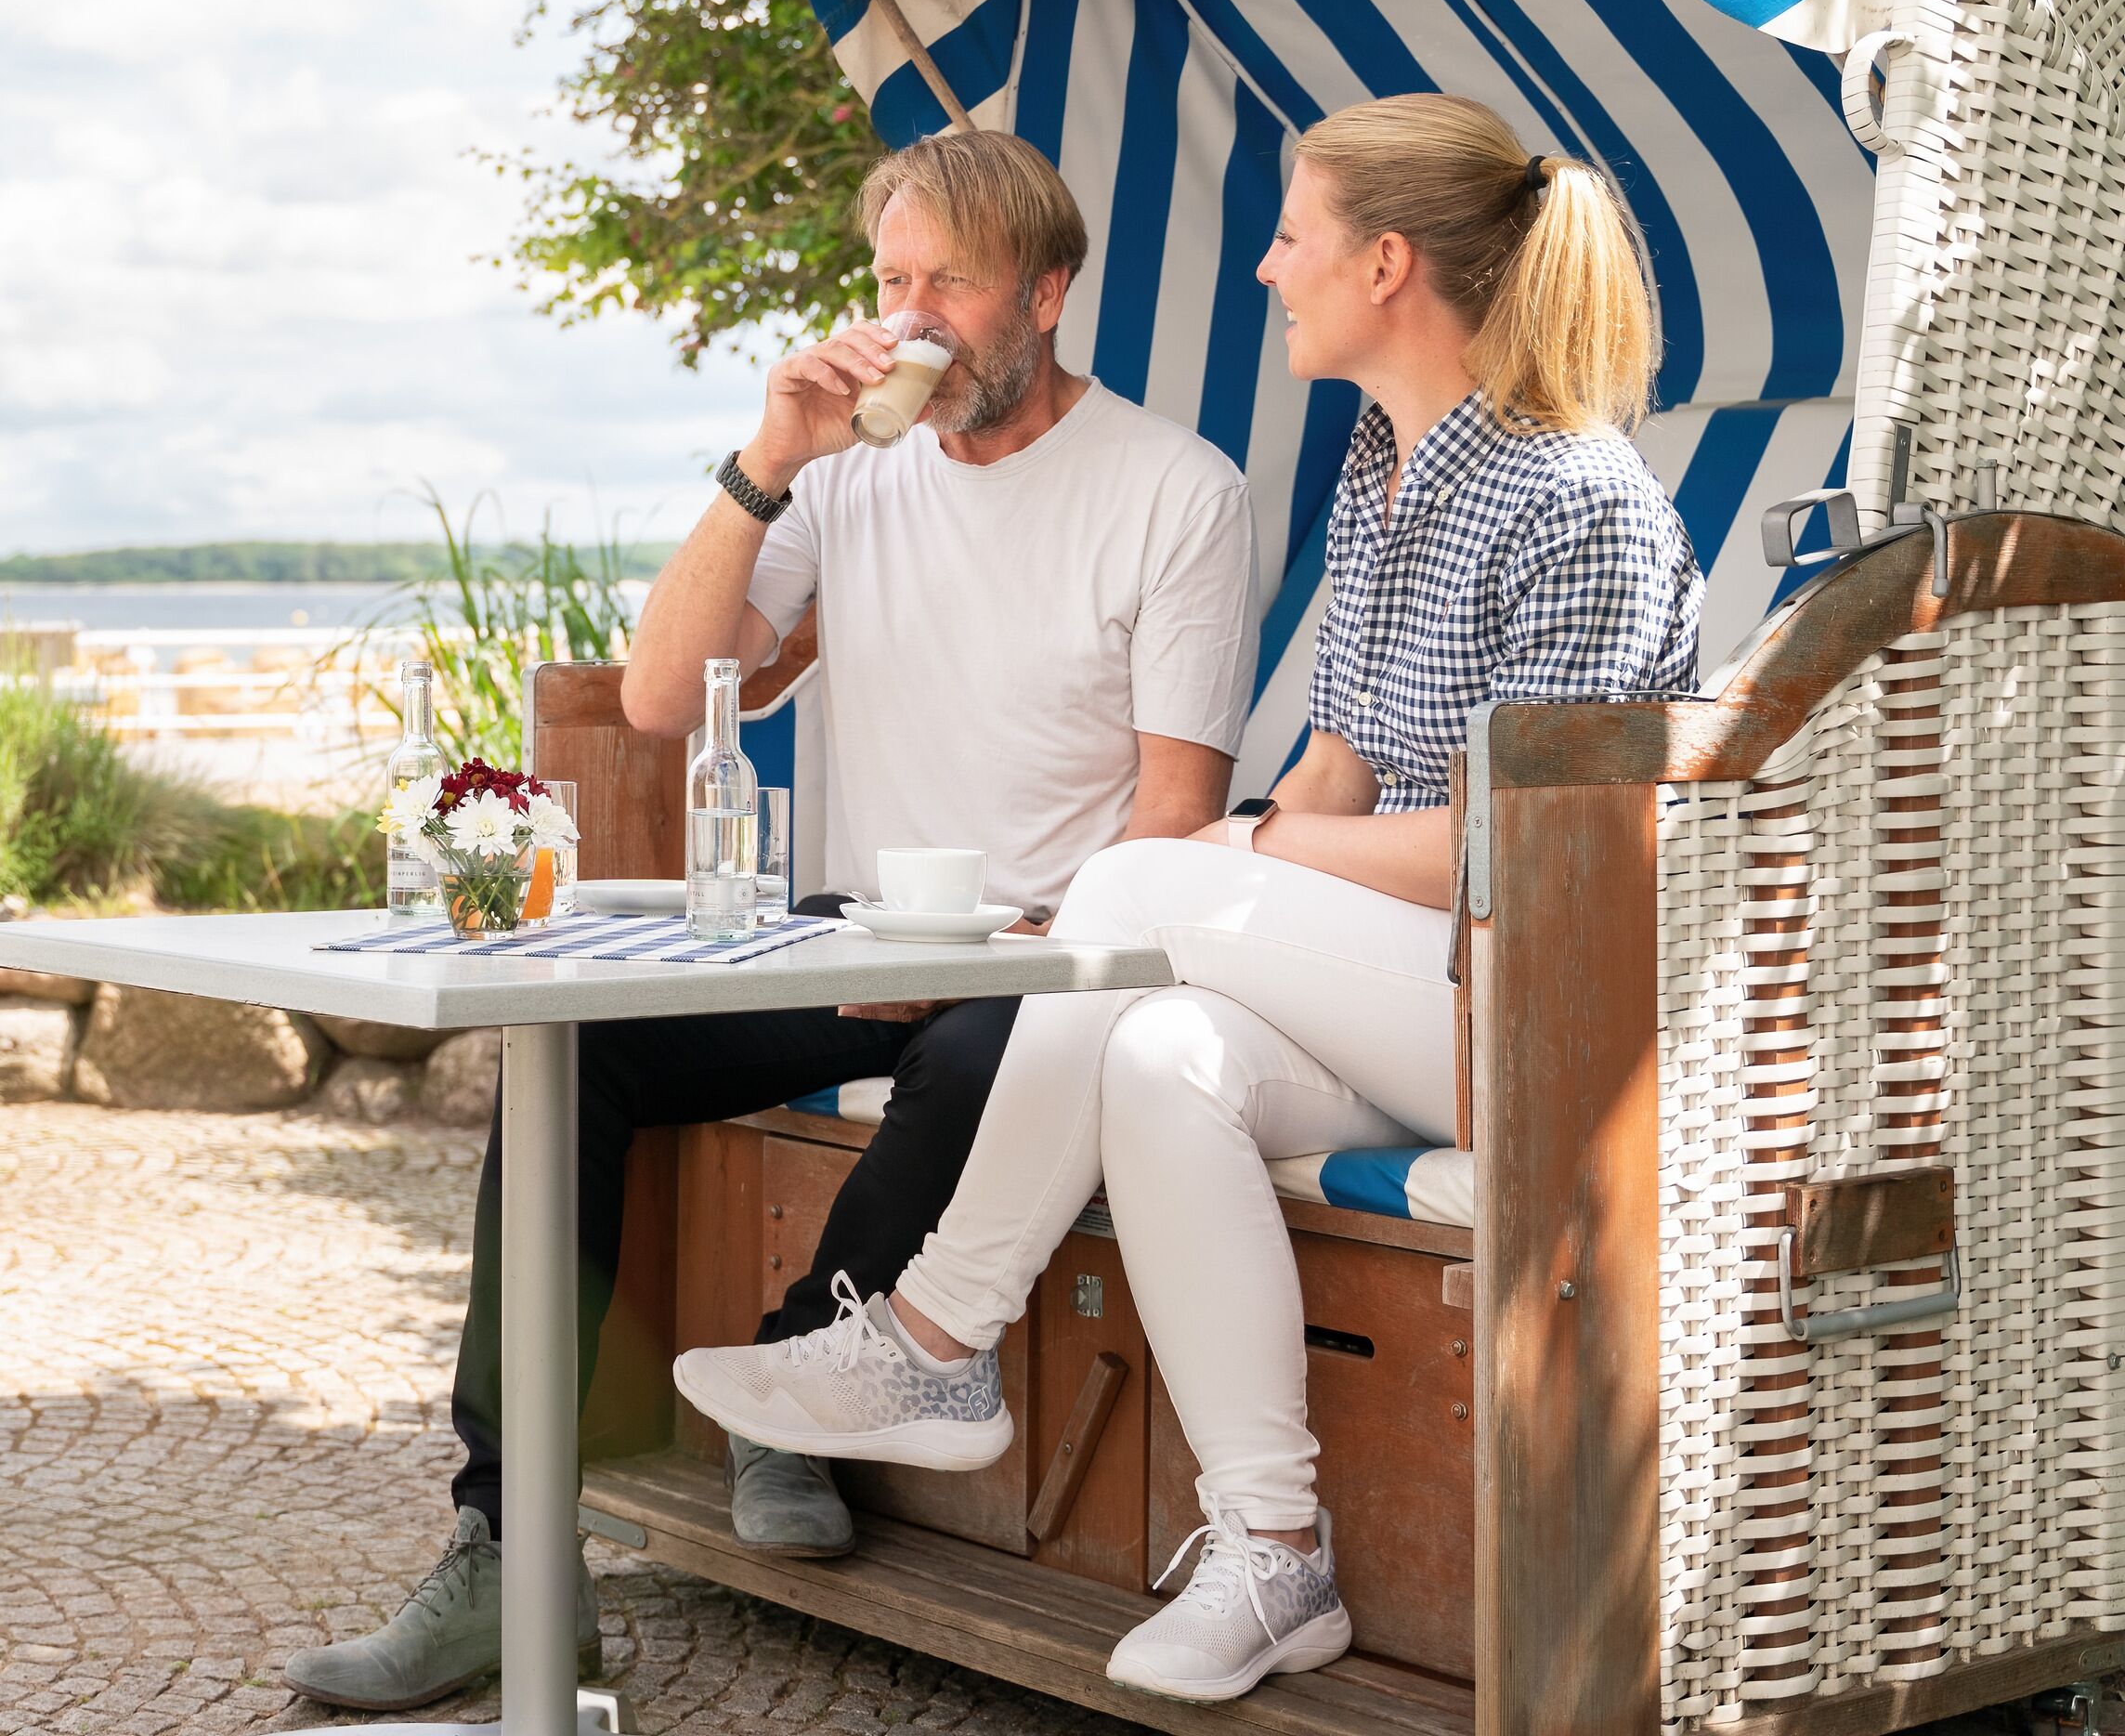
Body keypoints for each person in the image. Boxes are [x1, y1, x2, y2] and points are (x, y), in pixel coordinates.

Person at [672, 94, 1701, 1705]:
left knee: (1151, 870)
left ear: (1382, 265)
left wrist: (1236, 858)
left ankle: (935, 1340)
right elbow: (1349, 770)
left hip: (1552, 1024)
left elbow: (1535, 854)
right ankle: (1275, 1556)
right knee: (1159, 1049)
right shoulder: (1389, 465)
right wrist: (1261, 840)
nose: (1267, 272)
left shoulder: (1578, 499)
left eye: (1290, 239)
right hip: (1407, 995)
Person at [285, 129, 1258, 1714]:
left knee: (990, 1045)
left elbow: (1173, 817)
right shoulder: (853, 472)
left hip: (1044, 958)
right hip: (844, 938)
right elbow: (664, 696)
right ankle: (505, 1547)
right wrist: (768, 458)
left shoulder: (1173, 491)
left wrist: (987, 963)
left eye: (948, 279)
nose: (913, 312)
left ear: (1048, 292)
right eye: (891, 279)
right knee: (574, 1050)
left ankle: (791, 1389)